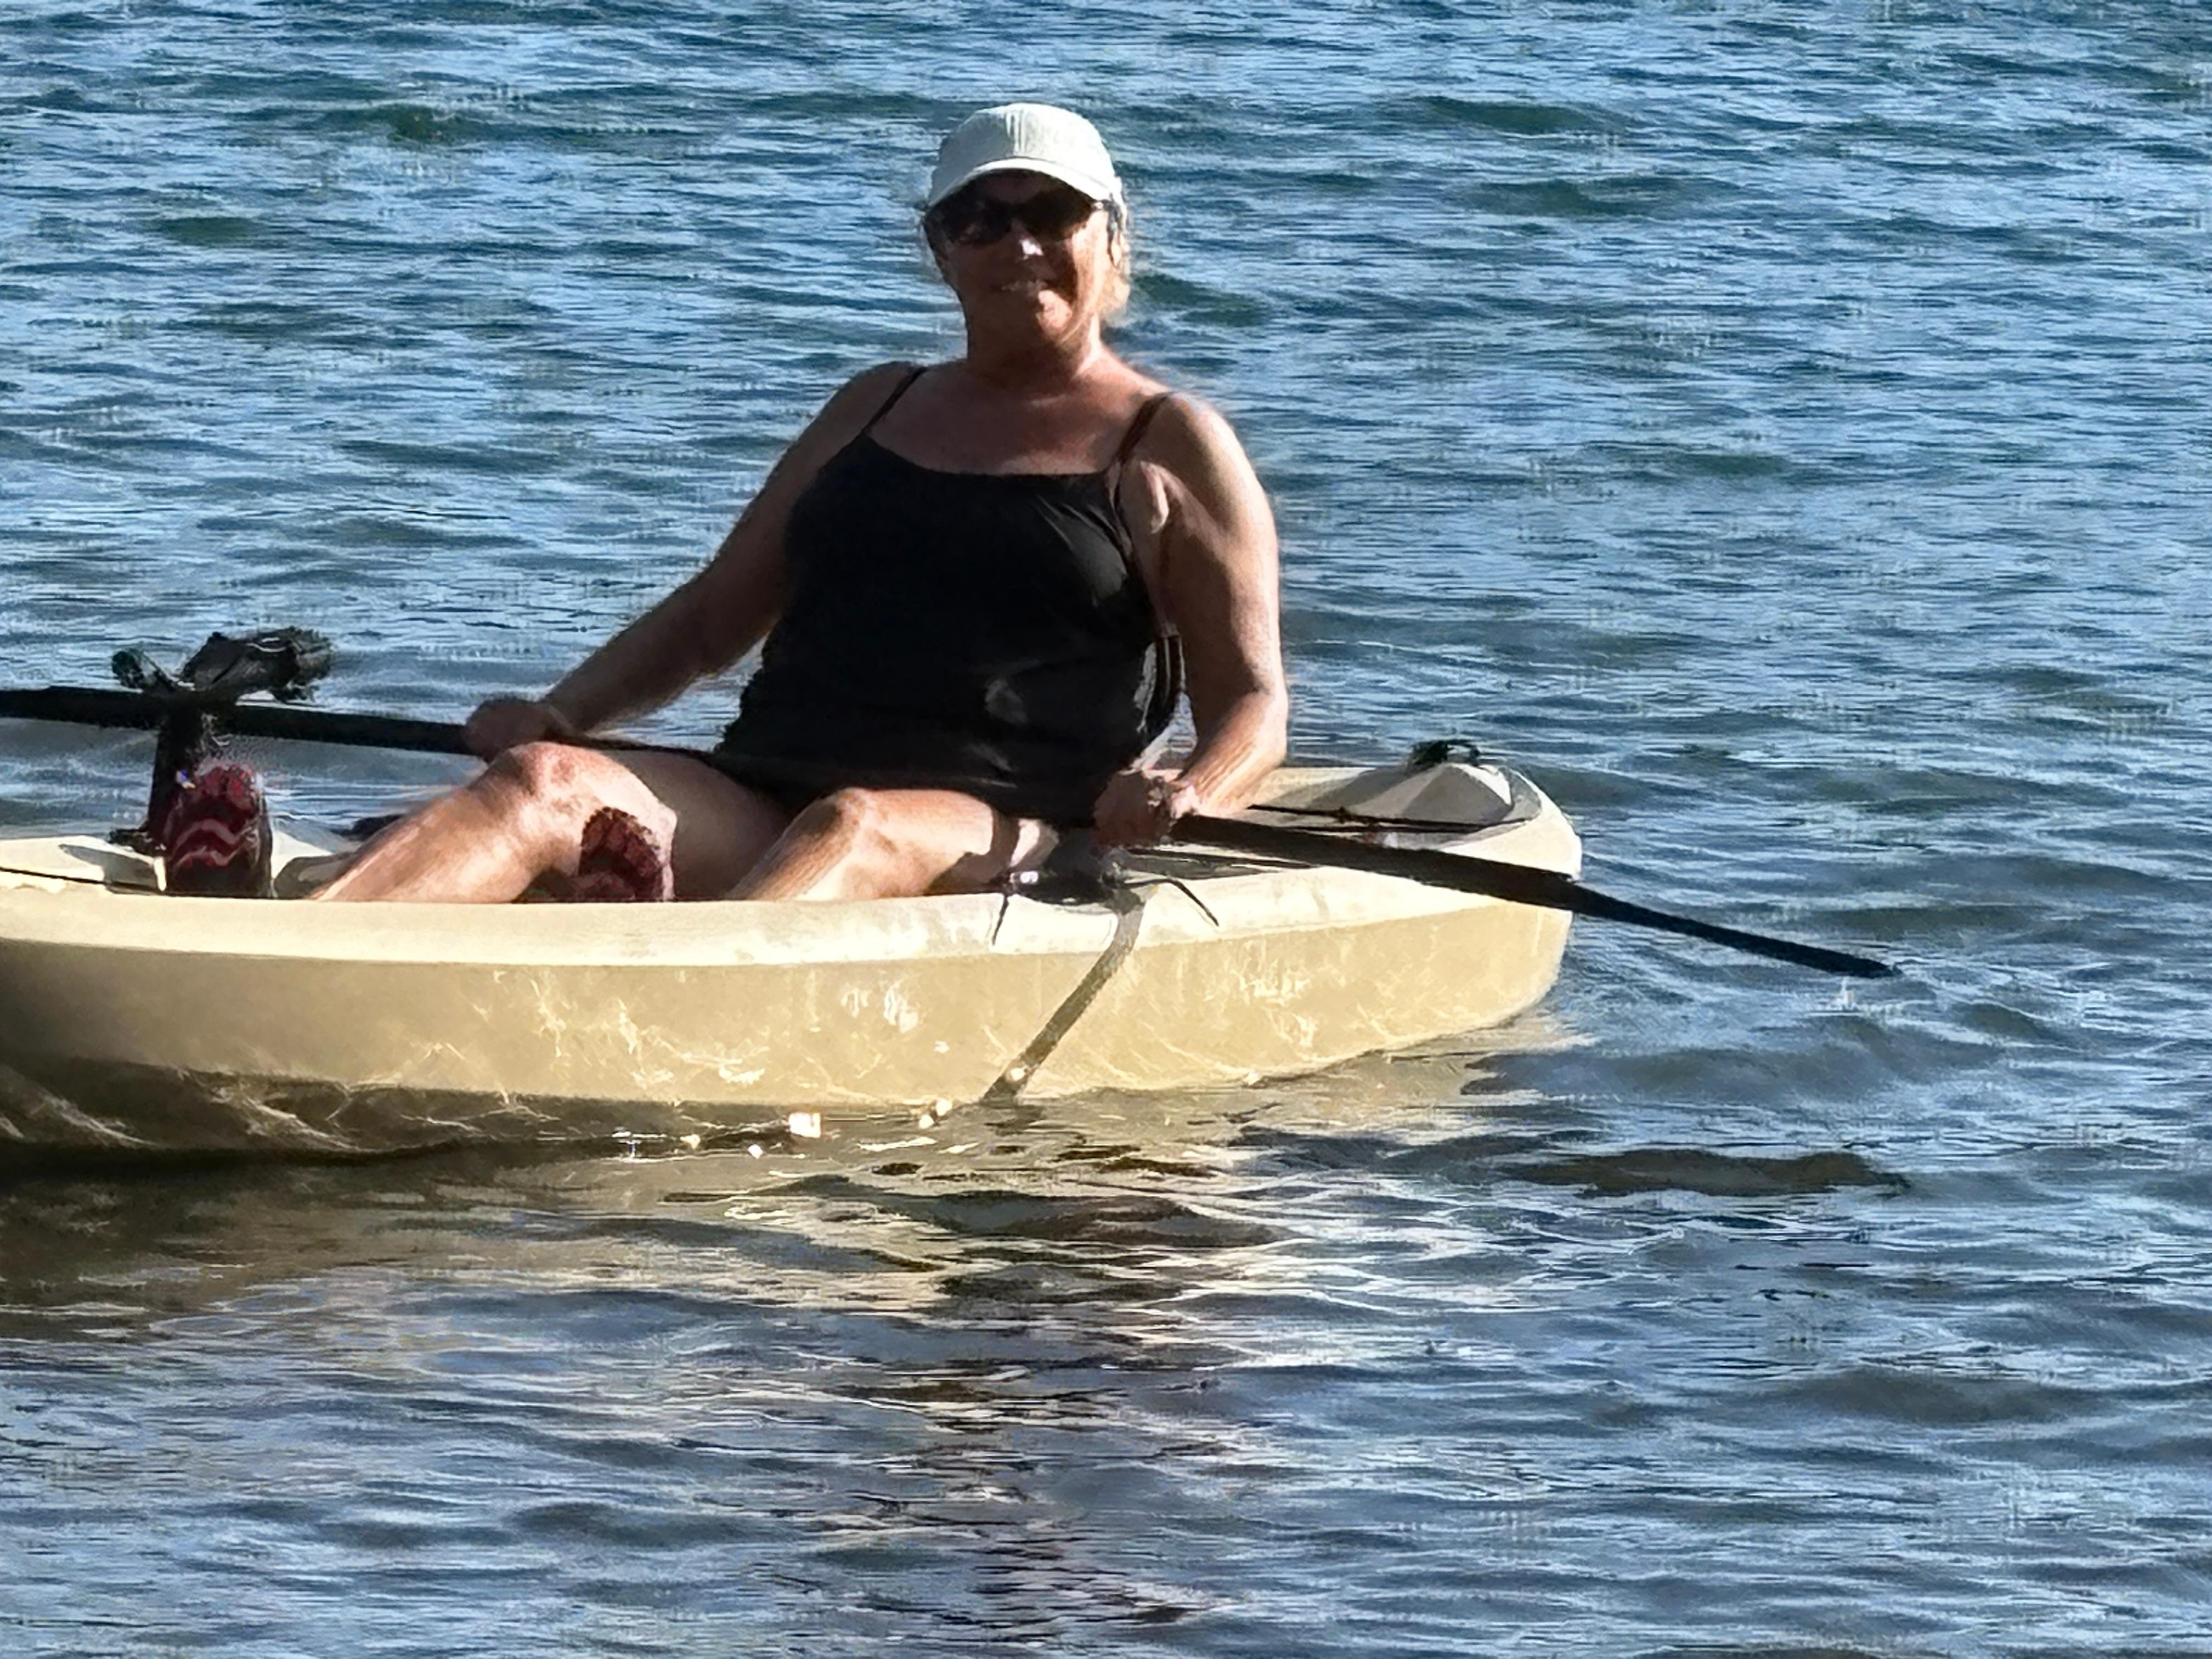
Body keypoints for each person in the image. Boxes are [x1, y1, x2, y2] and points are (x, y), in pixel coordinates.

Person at [312, 103, 1286, 904]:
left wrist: (1188, 791)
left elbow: (1251, 701)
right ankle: (307, 942)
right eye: (979, 220)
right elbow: (709, 621)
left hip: (1004, 821)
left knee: (852, 825)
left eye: (1052, 214)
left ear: (1112, 238)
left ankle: (649, 986)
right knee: (544, 784)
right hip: (763, 788)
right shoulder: (875, 404)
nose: (1018, 243)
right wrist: (561, 711)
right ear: (941, 250)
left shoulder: (1171, 443)